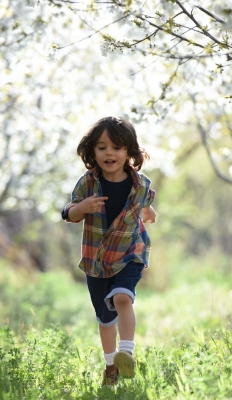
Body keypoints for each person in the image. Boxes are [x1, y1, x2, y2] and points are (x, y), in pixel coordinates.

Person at [61, 116, 156, 386]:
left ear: (129, 152)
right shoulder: (88, 184)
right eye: (102, 148)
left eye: (116, 147)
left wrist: (149, 212)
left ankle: (126, 352)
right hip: (98, 260)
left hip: (131, 252)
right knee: (105, 318)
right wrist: (81, 209)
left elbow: (145, 201)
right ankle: (111, 364)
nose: (109, 153)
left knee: (123, 298)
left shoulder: (141, 184)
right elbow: (68, 211)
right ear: (92, 152)